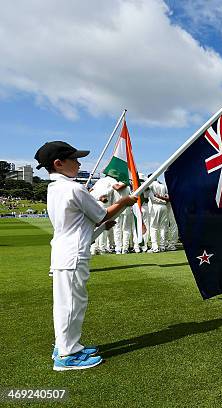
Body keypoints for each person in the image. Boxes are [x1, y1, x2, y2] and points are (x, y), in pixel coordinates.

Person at [35, 141, 137, 370]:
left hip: (65, 251)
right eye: (74, 159)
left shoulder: (55, 188)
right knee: (71, 303)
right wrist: (123, 202)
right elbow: (100, 214)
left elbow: (80, 222)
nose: (79, 163)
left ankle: (67, 345)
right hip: (73, 254)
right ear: (59, 164)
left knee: (67, 302)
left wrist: (102, 225)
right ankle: (67, 354)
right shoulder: (73, 188)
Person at [148, 176, 169, 253]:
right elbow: (167, 197)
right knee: (163, 227)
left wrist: (160, 201)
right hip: (164, 207)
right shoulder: (162, 185)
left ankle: (155, 246)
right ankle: (162, 246)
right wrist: (163, 201)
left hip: (156, 206)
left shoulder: (151, 184)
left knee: (154, 227)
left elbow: (152, 198)